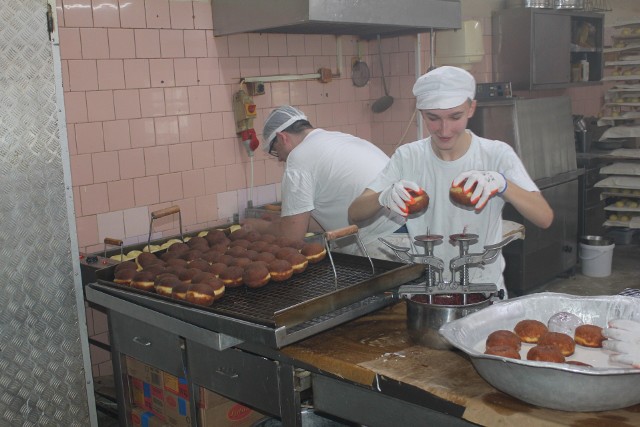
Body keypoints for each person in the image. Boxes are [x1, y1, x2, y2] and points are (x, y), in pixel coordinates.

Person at [348, 66, 554, 294]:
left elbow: (544, 217)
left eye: (455, 117)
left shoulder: (495, 154)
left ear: (471, 108)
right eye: (433, 118)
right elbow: (354, 213)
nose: (444, 130)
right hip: (426, 288)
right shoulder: (409, 157)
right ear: (422, 113)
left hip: (482, 290)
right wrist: (382, 197)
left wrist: (503, 184)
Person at [242, 105, 404, 256]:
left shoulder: (298, 159)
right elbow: (327, 216)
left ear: (282, 137)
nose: (280, 159)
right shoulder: (337, 139)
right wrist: (281, 223)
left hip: (381, 241)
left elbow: (292, 237)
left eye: (276, 151)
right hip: (406, 228)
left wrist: (258, 227)